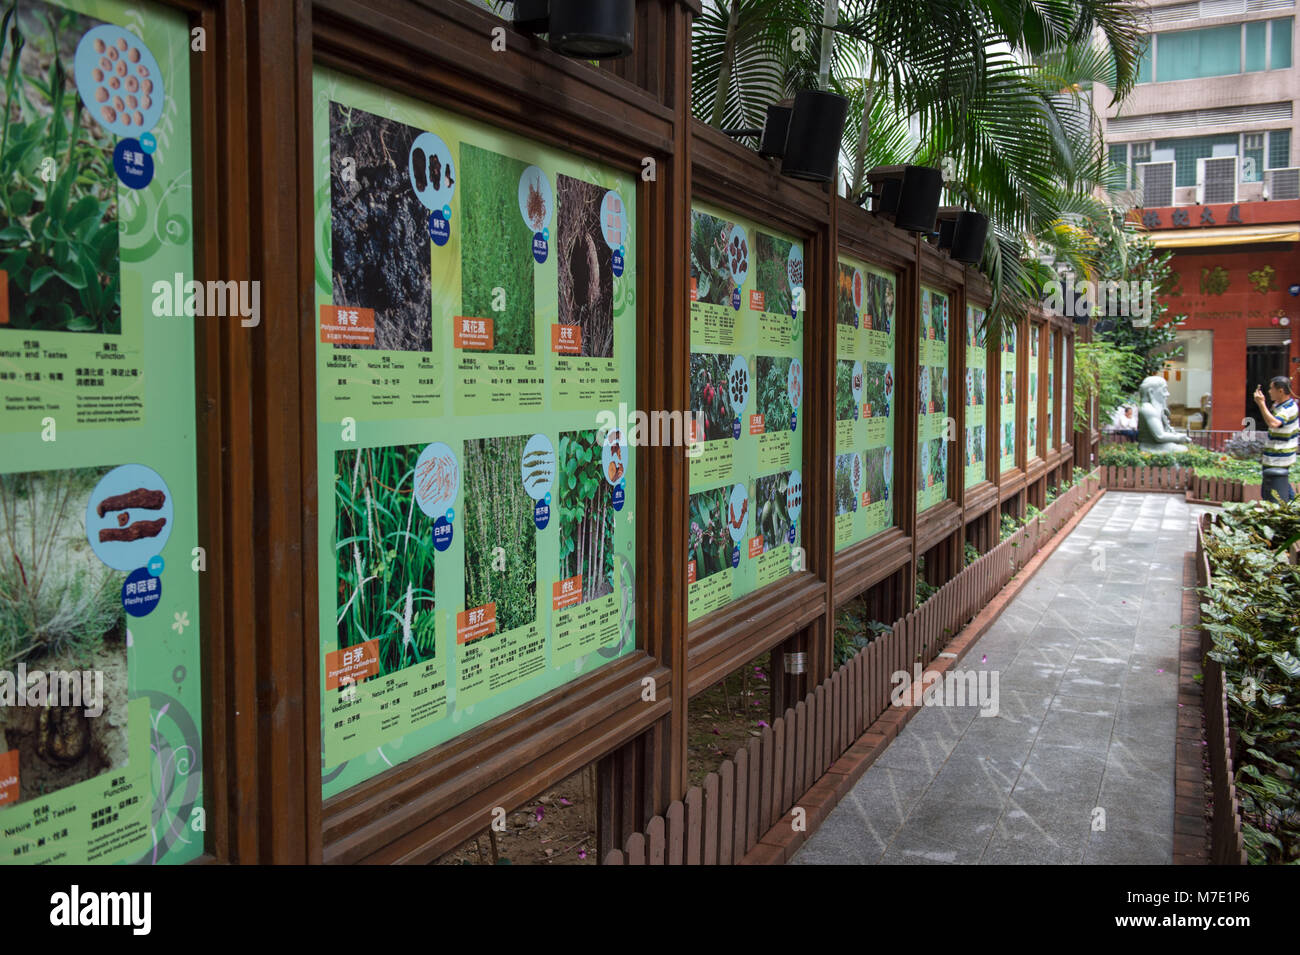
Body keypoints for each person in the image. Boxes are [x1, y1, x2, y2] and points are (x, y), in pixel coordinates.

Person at [1253, 376, 1298, 504]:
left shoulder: (1288, 408)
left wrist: (1261, 404)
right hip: (1275, 455)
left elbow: (1274, 423)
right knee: (1277, 487)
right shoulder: (1280, 405)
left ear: (1281, 391)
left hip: (1279, 456)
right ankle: (1293, 508)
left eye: (1271, 388)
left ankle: (1293, 509)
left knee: (1275, 489)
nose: (1269, 391)